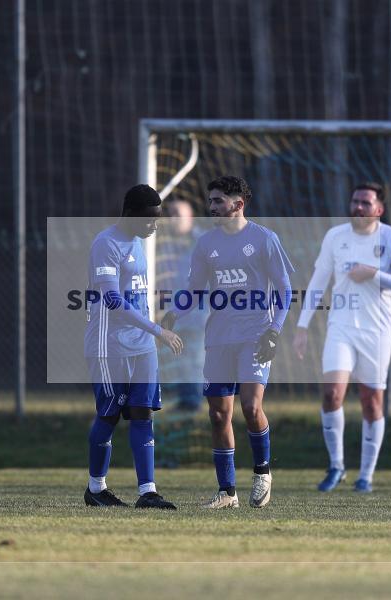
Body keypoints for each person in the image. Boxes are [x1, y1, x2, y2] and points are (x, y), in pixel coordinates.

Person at [162, 175, 294, 509]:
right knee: (219, 415)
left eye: (218, 201)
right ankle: (227, 493)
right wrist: (173, 313)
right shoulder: (206, 244)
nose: (212, 207)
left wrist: (274, 330)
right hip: (219, 338)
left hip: (256, 335)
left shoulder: (264, 239)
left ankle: (263, 473)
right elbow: (194, 291)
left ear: (238, 203)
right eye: (210, 201)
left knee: (250, 407)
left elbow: (285, 291)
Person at [292, 182, 391, 494]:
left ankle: (366, 475)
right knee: (332, 393)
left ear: (379, 209)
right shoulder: (335, 236)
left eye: (365, 202)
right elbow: (319, 281)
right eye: (354, 201)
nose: (358, 207)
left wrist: (373, 274)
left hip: (376, 332)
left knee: (371, 402)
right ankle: (336, 466)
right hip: (341, 327)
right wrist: (302, 326)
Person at [83, 184, 184, 509]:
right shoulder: (106, 243)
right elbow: (113, 299)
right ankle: (96, 488)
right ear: (130, 214)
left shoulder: (138, 243)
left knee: (143, 414)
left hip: (142, 346)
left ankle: (147, 492)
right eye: (149, 219)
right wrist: (157, 330)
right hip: (109, 344)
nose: (154, 226)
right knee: (110, 414)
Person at [156, 199, 207, 412]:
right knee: (181, 358)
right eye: (171, 214)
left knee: (196, 357)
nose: (174, 218)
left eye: (178, 213)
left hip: (200, 313)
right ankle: (187, 399)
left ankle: (194, 402)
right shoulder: (164, 246)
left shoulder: (204, 242)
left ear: (191, 217)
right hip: (174, 314)